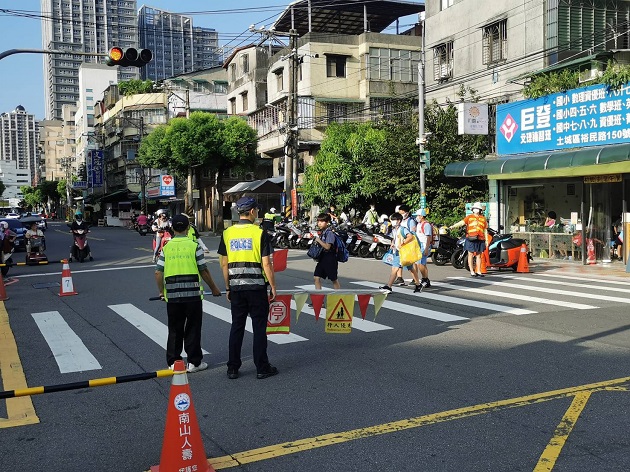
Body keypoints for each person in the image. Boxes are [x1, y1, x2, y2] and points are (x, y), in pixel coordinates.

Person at [218, 196, 279, 380]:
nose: (258, 213)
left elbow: (223, 263)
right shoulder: (260, 233)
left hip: (236, 288)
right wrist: (273, 287)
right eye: (257, 210)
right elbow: (266, 264)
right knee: (259, 328)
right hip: (256, 288)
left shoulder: (227, 233)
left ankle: (232, 368)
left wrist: (227, 286)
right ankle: (262, 367)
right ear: (252, 211)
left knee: (237, 326)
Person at [155, 214, 221, 373]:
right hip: (192, 296)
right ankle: (194, 362)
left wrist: (162, 292)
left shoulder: (167, 247)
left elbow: (158, 273)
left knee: (175, 329)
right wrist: (214, 288)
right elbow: (203, 270)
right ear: (188, 228)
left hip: (172, 296)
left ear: (172, 228)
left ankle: (173, 362)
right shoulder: (194, 246)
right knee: (193, 328)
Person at [379, 212, 421, 293]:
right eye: (392, 220)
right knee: (411, 269)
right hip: (398, 251)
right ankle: (418, 284)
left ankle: (389, 286)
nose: (392, 221)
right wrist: (392, 243)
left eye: (394, 220)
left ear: (399, 221)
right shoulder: (394, 229)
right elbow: (394, 238)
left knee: (395, 269)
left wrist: (403, 243)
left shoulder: (403, 229)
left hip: (401, 252)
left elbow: (410, 236)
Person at [450, 202, 488, 277]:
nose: (476, 210)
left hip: (480, 238)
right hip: (471, 238)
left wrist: (486, 240)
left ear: (480, 210)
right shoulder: (469, 217)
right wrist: (453, 226)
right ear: (473, 209)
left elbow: (485, 230)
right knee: (470, 254)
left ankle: (479, 271)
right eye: (475, 208)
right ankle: (472, 271)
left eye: (477, 208)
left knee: (478, 255)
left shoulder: (483, 219)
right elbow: (462, 222)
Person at [393, 204, 420, 287]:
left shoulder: (410, 221)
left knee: (411, 262)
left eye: (402, 213)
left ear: (407, 213)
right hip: (400, 245)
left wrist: (405, 241)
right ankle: (400, 278)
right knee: (398, 262)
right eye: (400, 213)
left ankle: (415, 280)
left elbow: (412, 234)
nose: (401, 214)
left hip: (407, 244)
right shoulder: (400, 221)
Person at [312, 213, 341, 290]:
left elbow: (327, 247)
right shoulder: (323, 232)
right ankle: (319, 300)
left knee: (334, 279)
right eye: (318, 221)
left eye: (322, 221)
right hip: (323, 258)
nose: (319, 223)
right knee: (316, 277)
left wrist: (318, 240)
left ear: (327, 222)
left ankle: (338, 298)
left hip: (330, 258)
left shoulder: (330, 233)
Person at [414, 209, 433, 290]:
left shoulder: (426, 225)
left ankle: (425, 279)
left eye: (417, 216)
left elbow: (429, 237)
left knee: (420, 263)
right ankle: (426, 279)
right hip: (419, 245)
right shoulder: (419, 224)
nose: (416, 217)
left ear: (421, 216)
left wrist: (426, 248)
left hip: (424, 245)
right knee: (422, 264)